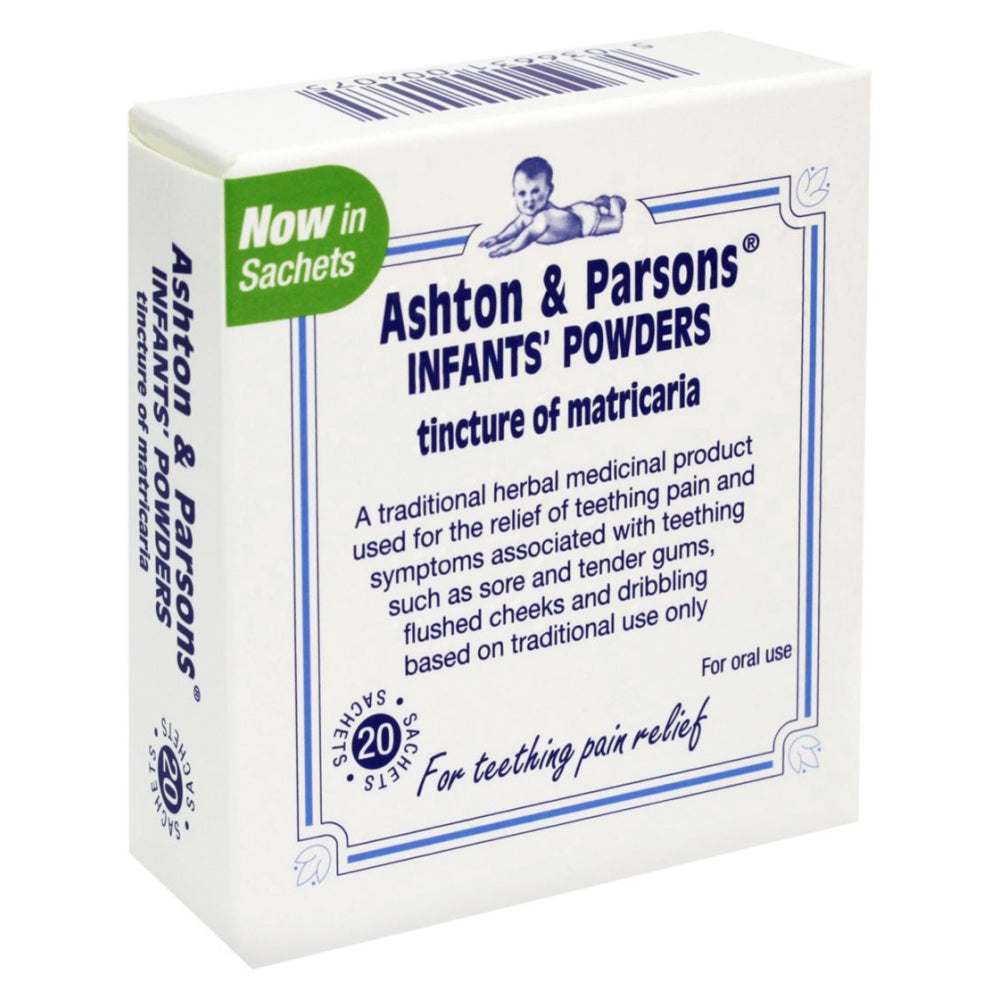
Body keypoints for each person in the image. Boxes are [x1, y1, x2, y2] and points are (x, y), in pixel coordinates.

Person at [479, 156, 625, 257]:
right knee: (588, 208)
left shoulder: (543, 218)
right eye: (522, 193)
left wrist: (509, 249)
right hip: (575, 210)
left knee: (615, 224)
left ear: (549, 190)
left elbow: (528, 235)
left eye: (535, 191)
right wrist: (498, 238)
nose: (529, 199)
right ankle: (598, 203)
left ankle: (614, 203)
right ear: (514, 195)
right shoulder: (526, 216)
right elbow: (516, 227)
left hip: (585, 222)